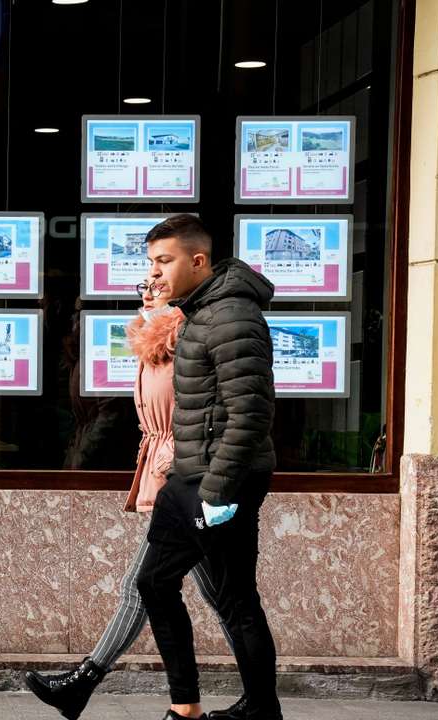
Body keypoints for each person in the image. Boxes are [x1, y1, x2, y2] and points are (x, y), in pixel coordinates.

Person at [22, 216, 247, 720]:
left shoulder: (190, 338)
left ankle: (88, 681)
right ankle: (229, 699)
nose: (149, 287)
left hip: (187, 478)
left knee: (149, 584)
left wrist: (196, 479)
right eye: (143, 279)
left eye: (158, 274)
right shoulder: (155, 345)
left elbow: (214, 416)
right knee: (215, 593)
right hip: (169, 475)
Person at [134, 215, 281, 720]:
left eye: (164, 261)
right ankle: (186, 707)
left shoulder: (233, 317)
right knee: (154, 582)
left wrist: (216, 495)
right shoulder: (199, 312)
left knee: (237, 601)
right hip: (188, 477)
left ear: (198, 261)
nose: (155, 274)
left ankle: (262, 709)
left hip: (222, 482)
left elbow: (250, 415)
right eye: (151, 262)